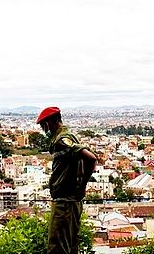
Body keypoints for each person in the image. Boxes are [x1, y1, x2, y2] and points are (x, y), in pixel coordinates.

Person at [37, 106, 97, 254]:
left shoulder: (62, 140)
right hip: (71, 201)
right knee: (70, 245)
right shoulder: (69, 135)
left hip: (65, 202)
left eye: (45, 125)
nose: (45, 129)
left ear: (52, 121)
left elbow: (91, 158)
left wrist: (82, 185)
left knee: (57, 246)